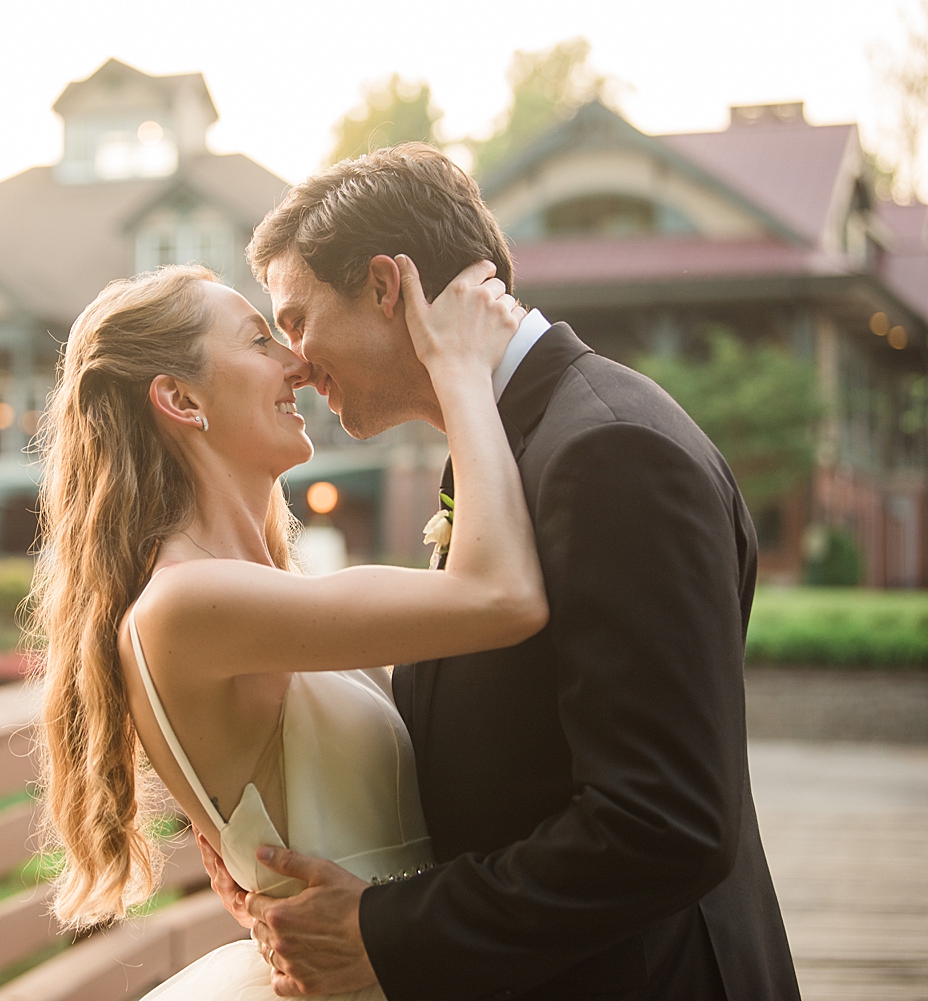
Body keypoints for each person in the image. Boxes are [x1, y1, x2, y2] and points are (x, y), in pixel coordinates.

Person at [208, 143, 801, 1001]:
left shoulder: (609, 450)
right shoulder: (511, 445)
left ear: (384, 286)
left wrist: (385, 929)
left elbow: (664, 820)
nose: (295, 359)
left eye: (297, 318)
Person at [30, 247, 543, 1001]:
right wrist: (459, 370)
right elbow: (502, 595)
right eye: (259, 340)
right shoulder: (186, 605)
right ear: (179, 399)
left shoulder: (255, 593)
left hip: (404, 959)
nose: (297, 364)